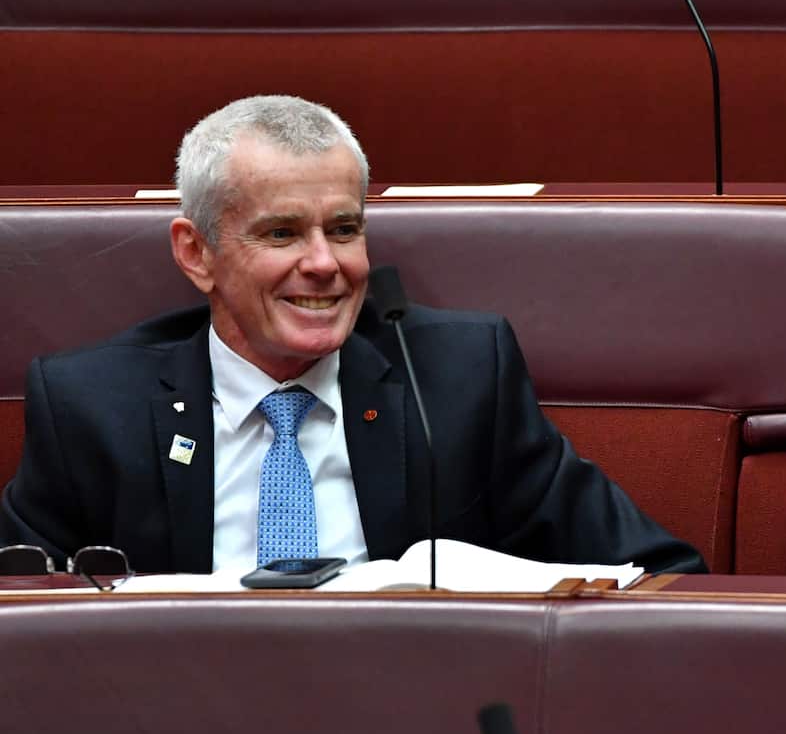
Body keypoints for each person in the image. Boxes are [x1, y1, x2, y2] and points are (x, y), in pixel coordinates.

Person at [0, 95, 705, 575]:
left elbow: (657, 575)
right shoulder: (92, 405)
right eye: (281, 232)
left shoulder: (459, 380)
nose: (325, 263)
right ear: (197, 253)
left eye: (344, 229)